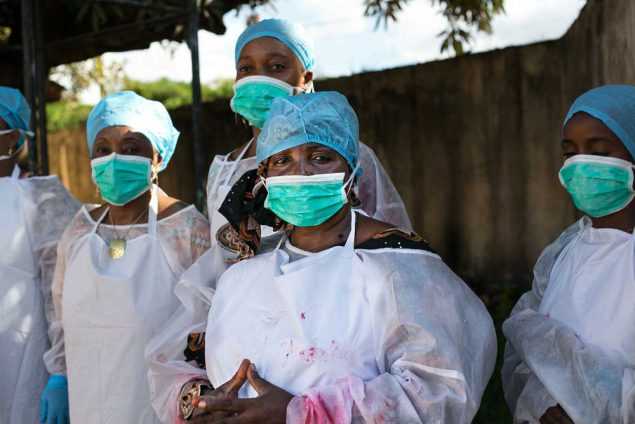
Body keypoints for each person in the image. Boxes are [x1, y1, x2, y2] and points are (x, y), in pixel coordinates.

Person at [150, 92, 496, 423]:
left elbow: (440, 393)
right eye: (283, 160)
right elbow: (183, 365)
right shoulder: (242, 276)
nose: (301, 172)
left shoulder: (397, 267)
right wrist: (204, 405)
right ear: (264, 176)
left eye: (319, 157)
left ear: (351, 170)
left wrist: (302, 414)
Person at [40, 91, 211, 424]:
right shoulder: (79, 230)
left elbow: (209, 328)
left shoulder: (187, 230)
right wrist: (59, 375)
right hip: (89, 400)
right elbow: (59, 314)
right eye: (102, 149)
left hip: (159, 408)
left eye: (131, 148)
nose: (114, 159)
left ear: (157, 157)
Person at [207, 18, 411, 253]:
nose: (259, 78)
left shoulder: (348, 158)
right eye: (246, 68)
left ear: (307, 78)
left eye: (276, 66)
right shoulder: (224, 169)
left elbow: (390, 242)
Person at [502, 85, 635, 423]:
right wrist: (542, 406)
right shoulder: (563, 254)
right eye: (569, 152)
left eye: (599, 150)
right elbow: (525, 358)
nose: (579, 164)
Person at [0, 86, 79, 424]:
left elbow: (61, 293)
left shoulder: (42, 199)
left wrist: (61, 373)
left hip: (25, 365)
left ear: (14, 137)